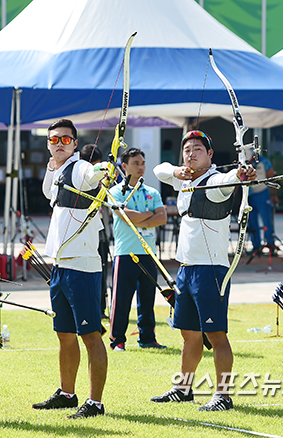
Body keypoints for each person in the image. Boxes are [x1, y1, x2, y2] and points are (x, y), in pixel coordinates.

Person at [151, 130, 256, 411]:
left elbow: (230, 178)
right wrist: (178, 171)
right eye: (187, 149)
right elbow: (158, 169)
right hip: (186, 268)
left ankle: (223, 395)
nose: (191, 153)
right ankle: (183, 388)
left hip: (211, 270)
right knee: (189, 333)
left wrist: (241, 174)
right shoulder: (182, 179)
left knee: (216, 335)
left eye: (198, 149)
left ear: (210, 155)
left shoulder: (216, 181)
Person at [33, 119, 107, 419]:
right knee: (64, 333)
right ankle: (67, 393)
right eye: (54, 139)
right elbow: (48, 192)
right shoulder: (57, 169)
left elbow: (94, 174)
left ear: (75, 144)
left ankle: (96, 402)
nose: (60, 143)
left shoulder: (79, 168)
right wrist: (52, 165)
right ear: (48, 143)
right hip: (60, 264)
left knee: (90, 335)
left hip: (83, 266)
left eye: (66, 139)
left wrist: (105, 169)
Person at [108, 148, 167, 351]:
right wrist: (148, 215)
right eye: (136, 163)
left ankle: (147, 338)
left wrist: (140, 216)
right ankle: (117, 340)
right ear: (124, 167)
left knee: (147, 298)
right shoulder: (116, 191)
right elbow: (125, 217)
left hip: (148, 253)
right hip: (125, 252)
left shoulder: (152, 192)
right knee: (122, 299)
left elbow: (162, 217)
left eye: (142, 163)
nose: (141, 167)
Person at [80, 143, 111, 319]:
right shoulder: (80, 178)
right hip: (83, 234)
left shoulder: (100, 180)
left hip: (100, 231)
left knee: (101, 268)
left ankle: (100, 308)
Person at [247, 152, 277, 253]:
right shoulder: (245, 163)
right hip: (250, 195)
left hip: (262, 193)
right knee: (252, 221)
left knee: (267, 220)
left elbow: (271, 178)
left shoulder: (264, 162)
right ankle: (256, 246)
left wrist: (273, 195)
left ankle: (270, 244)